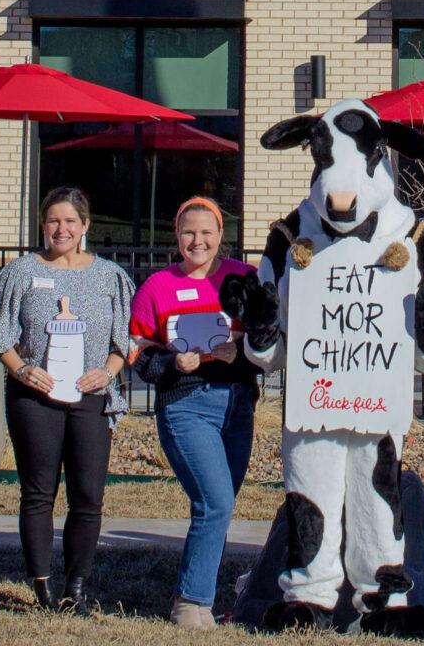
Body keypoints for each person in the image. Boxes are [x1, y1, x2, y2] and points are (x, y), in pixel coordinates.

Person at [0, 186, 135, 614]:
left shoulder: (109, 277)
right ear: (42, 225)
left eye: (71, 221)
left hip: (91, 397)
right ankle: (42, 584)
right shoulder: (20, 272)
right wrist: (21, 369)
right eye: (53, 220)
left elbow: (125, 340)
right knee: (38, 492)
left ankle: (77, 585)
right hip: (36, 398)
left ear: (85, 226)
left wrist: (107, 372)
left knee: (88, 495)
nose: (61, 229)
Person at [128, 196, 260, 630]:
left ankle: (204, 596)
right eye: (189, 232)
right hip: (186, 405)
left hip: (237, 404)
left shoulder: (245, 278)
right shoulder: (157, 286)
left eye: (207, 232)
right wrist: (170, 362)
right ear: (176, 235)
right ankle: (191, 602)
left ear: (222, 235)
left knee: (219, 504)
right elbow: (139, 354)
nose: (197, 241)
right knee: (215, 502)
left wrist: (240, 350)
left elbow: (269, 339)